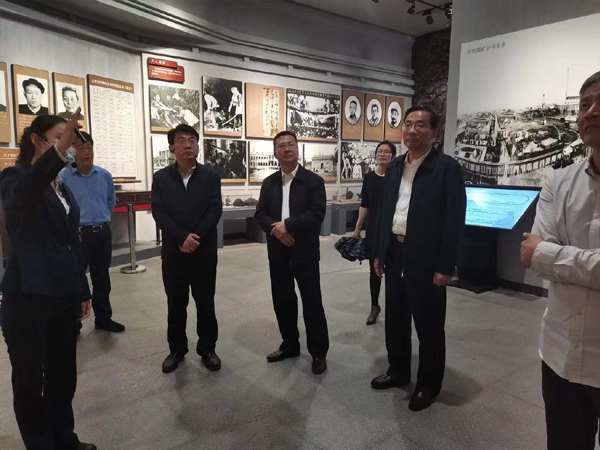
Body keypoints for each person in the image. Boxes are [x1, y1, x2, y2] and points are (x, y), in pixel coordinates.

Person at [0, 110, 96, 450]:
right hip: (28, 296)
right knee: (29, 380)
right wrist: (56, 154)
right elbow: (25, 193)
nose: (69, 147)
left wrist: (81, 290)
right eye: (61, 138)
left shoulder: (62, 189)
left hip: (62, 295)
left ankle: (64, 438)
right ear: (36, 140)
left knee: (62, 374)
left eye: (70, 140)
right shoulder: (13, 178)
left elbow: (71, 243)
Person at [520, 71, 600, 450]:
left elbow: (541, 252)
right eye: (585, 105)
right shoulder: (559, 181)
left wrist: (551, 255)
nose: (592, 112)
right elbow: (533, 258)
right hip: (560, 352)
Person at [371, 105, 466, 412]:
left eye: (420, 125)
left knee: (429, 324)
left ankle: (428, 384)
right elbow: (385, 211)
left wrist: (445, 265)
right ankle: (398, 370)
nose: (412, 130)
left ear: (434, 132)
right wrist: (379, 251)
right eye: (408, 124)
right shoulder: (395, 166)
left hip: (427, 256)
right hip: (395, 251)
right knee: (395, 317)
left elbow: (454, 220)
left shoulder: (446, 168)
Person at [255, 130, 329, 375]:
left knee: (312, 302)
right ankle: (289, 344)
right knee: (282, 300)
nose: (287, 149)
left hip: (304, 250)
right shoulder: (269, 183)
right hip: (278, 251)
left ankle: (318, 352)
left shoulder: (313, 181)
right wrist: (277, 231)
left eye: (291, 144)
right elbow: (260, 214)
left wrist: (288, 225)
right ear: (275, 152)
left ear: (297, 149)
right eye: (281, 146)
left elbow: (317, 213)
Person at [151, 124, 223, 374]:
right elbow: (159, 212)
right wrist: (182, 237)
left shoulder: (210, 176)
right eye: (182, 140)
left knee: (206, 304)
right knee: (175, 305)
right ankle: (176, 349)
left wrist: (195, 237)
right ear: (172, 147)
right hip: (174, 253)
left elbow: (214, 210)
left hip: (203, 252)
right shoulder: (162, 178)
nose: (188, 145)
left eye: (192, 140)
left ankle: (208, 349)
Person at [59, 131, 124, 333]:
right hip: (77, 234)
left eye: (89, 147)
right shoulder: (63, 177)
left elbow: (110, 201)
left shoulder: (104, 175)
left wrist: (100, 218)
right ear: (72, 151)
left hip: (102, 233)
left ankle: (103, 318)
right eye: (81, 148)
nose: (87, 152)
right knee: (75, 278)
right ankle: (73, 321)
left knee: (102, 278)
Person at [353, 141, 396, 325]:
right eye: (380, 151)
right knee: (374, 269)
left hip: (392, 228)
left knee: (392, 269)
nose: (382, 154)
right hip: (373, 228)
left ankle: (394, 308)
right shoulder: (369, 177)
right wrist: (358, 227)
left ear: (393, 156)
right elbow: (365, 204)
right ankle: (374, 305)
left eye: (387, 152)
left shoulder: (396, 177)